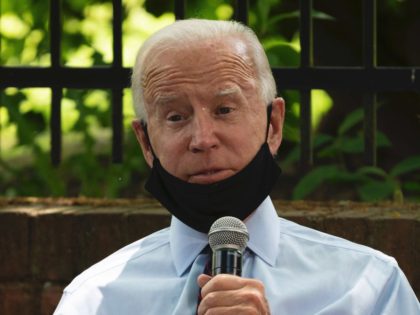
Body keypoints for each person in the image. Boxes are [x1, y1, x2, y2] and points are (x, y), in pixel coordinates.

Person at [54, 19, 419, 315]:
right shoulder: (95, 300)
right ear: (146, 143)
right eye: (176, 116)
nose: (202, 138)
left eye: (224, 110)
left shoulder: (369, 289)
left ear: (273, 125)